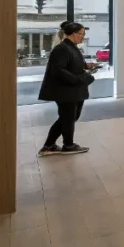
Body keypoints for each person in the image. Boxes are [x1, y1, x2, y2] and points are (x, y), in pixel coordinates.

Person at [37, 22, 97, 156]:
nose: (83, 37)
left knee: (68, 117)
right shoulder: (61, 49)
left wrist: (87, 66)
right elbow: (59, 70)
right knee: (68, 118)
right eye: (81, 34)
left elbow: (71, 64)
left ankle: (49, 145)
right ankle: (68, 145)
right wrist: (79, 79)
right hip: (66, 91)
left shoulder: (72, 48)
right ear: (73, 34)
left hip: (72, 90)